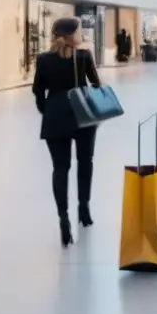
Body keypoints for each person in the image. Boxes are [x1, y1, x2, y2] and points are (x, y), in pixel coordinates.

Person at [32, 17, 102, 248]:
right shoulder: (83, 56)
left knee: (60, 168)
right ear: (72, 34)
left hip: (55, 117)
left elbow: (38, 92)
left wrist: (48, 111)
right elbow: (96, 84)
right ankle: (84, 208)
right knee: (85, 161)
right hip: (82, 115)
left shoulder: (43, 59)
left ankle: (63, 217)